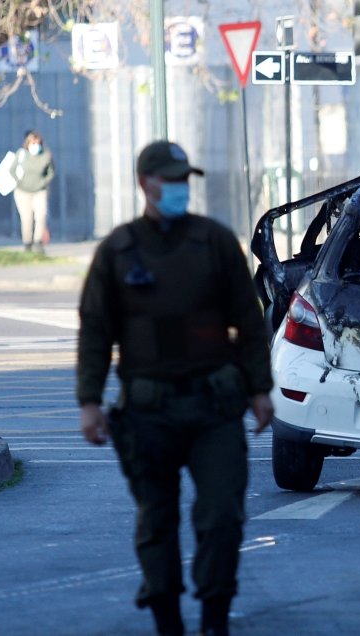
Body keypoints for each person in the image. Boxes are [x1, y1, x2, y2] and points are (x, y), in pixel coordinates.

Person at [76, 140, 274, 636]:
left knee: (222, 515)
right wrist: (89, 403)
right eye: (171, 180)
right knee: (156, 521)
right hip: (148, 412)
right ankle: (167, 618)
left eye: (186, 179)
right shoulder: (117, 252)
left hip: (214, 406)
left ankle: (214, 618)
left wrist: (260, 388)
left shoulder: (214, 243)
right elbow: (96, 329)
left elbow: (248, 322)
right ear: (145, 184)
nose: (181, 188)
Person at [10, 130, 55, 254]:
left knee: (41, 216)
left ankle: (38, 241)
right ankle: (27, 243)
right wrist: (19, 182)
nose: (35, 146)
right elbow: (12, 170)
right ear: (27, 144)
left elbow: (51, 173)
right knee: (27, 218)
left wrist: (43, 183)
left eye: (37, 143)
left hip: (39, 191)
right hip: (22, 192)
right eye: (32, 143)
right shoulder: (21, 154)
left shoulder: (45, 156)